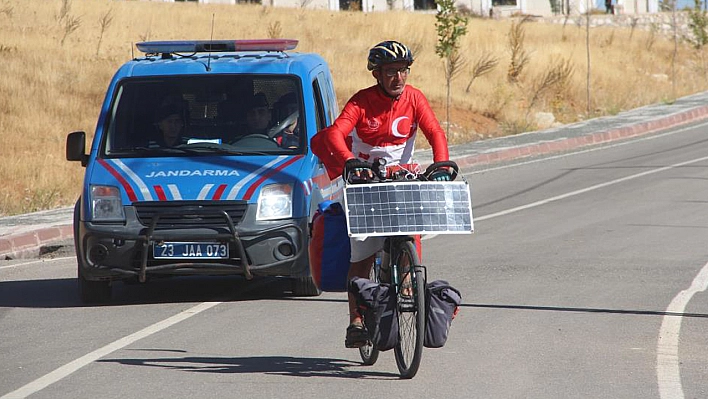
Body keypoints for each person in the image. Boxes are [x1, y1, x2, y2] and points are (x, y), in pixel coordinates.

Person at [310, 40, 452, 348]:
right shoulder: (361, 102)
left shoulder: (415, 98)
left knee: (411, 232)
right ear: (376, 74)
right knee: (362, 255)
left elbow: (435, 132)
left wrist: (441, 163)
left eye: (403, 71)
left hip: (401, 180)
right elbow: (335, 132)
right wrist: (349, 162)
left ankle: (409, 280)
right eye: (391, 71)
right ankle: (356, 321)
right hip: (365, 180)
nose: (398, 78)